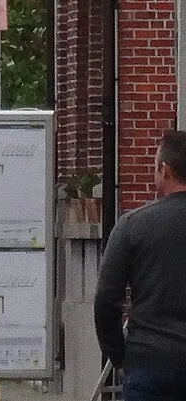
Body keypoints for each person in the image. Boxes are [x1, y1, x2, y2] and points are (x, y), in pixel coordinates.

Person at [96, 129, 186, 400]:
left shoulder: (133, 225)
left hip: (150, 362)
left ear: (165, 170)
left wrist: (120, 355)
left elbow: (106, 300)